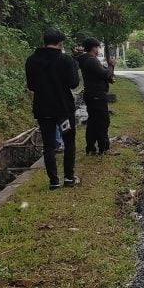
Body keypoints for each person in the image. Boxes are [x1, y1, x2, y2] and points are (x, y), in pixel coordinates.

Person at [25, 28, 80, 189]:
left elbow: (31, 85)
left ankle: (53, 181)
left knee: (48, 145)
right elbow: (74, 83)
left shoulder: (31, 60)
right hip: (63, 109)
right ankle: (69, 178)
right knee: (69, 141)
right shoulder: (65, 60)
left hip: (43, 109)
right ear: (61, 43)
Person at [76, 38, 117, 156]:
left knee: (93, 122)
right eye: (98, 47)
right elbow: (105, 73)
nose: (99, 49)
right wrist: (111, 65)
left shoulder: (86, 60)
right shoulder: (91, 60)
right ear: (93, 47)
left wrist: (108, 76)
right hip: (97, 95)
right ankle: (104, 148)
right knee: (103, 121)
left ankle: (91, 148)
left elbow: (102, 75)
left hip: (92, 94)